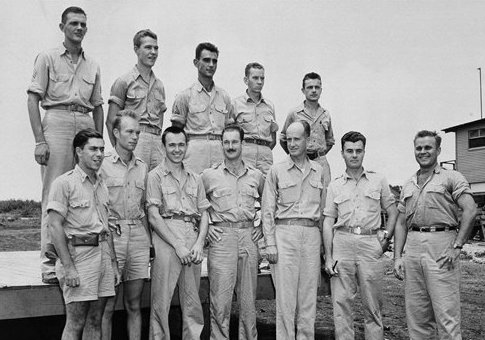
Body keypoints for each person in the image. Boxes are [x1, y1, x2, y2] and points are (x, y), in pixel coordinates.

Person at [27, 6, 104, 284]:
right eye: (73, 23)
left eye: (83, 24)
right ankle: (49, 264)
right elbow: (33, 99)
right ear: (62, 27)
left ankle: (81, 260)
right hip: (57, 120)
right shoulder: (47, 58)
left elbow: (97, 106)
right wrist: (39, 140)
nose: (79, 28)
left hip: (84, 122)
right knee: (55, 194)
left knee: (85, 191)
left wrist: (97, 139)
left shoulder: (92, 64)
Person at [393, 130, 477, 340]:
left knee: (446, 315)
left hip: (441, 245)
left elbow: (470, 210)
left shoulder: (452, 177)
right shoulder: (409, 183)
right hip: (413, 248)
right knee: (417, 315)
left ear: (438, 150)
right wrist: (397, 256)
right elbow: (401, 222)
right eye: (419, 148)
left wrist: (457, 246)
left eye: (428, 147)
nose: (423, 152)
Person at [322, 131, 398, 339]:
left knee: (372, 306)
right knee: (341, 306)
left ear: (364, 152)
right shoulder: (335, 185)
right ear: (342, 153)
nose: (354, 155)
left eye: (358, 151)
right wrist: (329, 256)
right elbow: (328, 221)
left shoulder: (378, 180)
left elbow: (393, 212)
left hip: (369, 243)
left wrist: (385, 239)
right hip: (342, 245)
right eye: (349, 151)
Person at [47, 129, 120, 340]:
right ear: (79, 151)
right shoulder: (64, 183)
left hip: (103, 257)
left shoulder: (102, 184)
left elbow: (107, 227)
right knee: (75, 322)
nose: (99, 154)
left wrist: (113, 263)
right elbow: (54, 226)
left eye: (102, 149)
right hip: (79, 258)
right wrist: (68, 267)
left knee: (95, 320)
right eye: (93, 149)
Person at [262, 120, 325, 339]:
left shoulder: (319, 171)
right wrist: (269, 243)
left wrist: (325, 246)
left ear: (308, 140)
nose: (292, 144)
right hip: (284, 235)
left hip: (311, 235)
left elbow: (325, 210)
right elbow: (267, 210)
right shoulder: (276, 170)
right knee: (285, 301)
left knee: (308, 299)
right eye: (288, 139)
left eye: (297, 139)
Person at [146, 126, 210, 339]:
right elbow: (154, 216)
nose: (177, 149)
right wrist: (177, 245)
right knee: (161, 304)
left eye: (181, 144)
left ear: (186, 146)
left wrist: (200, 243)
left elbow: (204, 214)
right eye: (172, 145)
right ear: (164, 147)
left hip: (191, 238)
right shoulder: (155, 176)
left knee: (193, 303)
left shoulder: (195, 177)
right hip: (167, 236)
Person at [202, 124, 265, 339]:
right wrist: (207, 226)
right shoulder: (209, 176)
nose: (230, 146)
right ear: (221, 145)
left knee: (248, 305)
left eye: (234, 142)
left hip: (248, 238)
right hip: (222, 240)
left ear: (242, 143)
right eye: (226, 142)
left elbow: (272, 203)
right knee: (220, 303)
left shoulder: (256, 176)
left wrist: (263, 227)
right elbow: (196, 204)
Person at [100, 110, 150, 340]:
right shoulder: (103, 165)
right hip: (113, 235)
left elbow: (145, 207)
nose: (135, 137)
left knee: (134, 304)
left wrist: (149, 243)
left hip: (138, 236)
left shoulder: (142, 167)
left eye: (137, 132)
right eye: (130, 131)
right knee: (107, 306)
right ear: (116, 132)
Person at [106, 29, 167, 171]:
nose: (153, 52)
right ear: (136, 49)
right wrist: (120, 150)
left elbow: (160, 121)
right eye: (148, 47)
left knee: (156, 187)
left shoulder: (159, 85)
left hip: (156, 143)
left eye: (156, 48)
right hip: (135, 140)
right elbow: (111, 121)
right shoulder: (124, 81)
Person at [171, 42, 234, 173]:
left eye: (214, 61)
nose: (211, 65)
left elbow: (229, 131)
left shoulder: (225, 97)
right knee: (192, 192)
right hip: (194, 155)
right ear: (196, 62)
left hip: (219, 154)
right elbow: (176, 133)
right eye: (206, 60)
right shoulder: (185, 96)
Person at [280, 72, 335, 194]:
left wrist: (319, 153)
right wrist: (296, 154)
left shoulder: (326, 114)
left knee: (324, 196)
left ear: (321, 90)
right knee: (299, 194)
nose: (314, 90)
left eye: (317, 87)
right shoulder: (294, 113)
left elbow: (330, 140)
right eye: (310, 87)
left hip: (320, 162)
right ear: (303, 90)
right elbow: (283, 138)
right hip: (300, 161)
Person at [232, 62, 278, 176]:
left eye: (262, 78)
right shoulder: (235, 104)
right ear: (246, 80)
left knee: (267, 189)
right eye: (255, 78)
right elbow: (230, 135)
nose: (259, 82)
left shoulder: (269, 106)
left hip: (265, 155)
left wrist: (263, 149)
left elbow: (273, 138)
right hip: (245, 153)